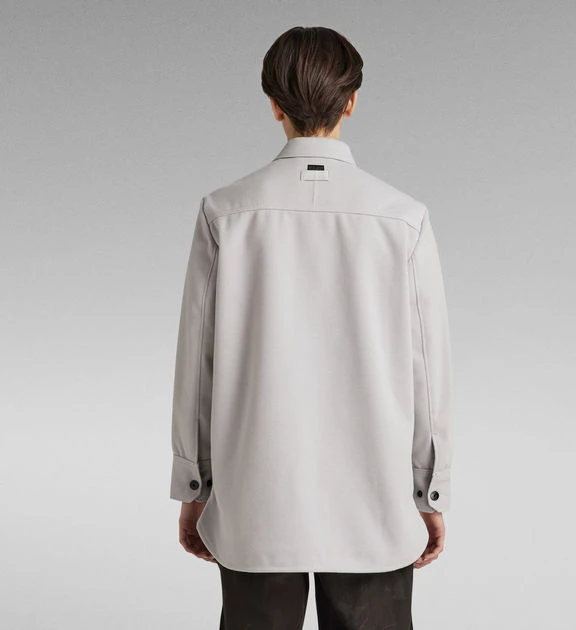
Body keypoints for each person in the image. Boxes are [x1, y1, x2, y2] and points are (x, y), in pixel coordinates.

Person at [169, 25, 454, 629]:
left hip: (255, 500)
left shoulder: (224, 213)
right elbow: (427, 370)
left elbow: (198, 362)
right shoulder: (404, 218)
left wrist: (195, 485)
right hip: (374, 503)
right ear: (352, 101)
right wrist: (430, 489)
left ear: (274, 105)